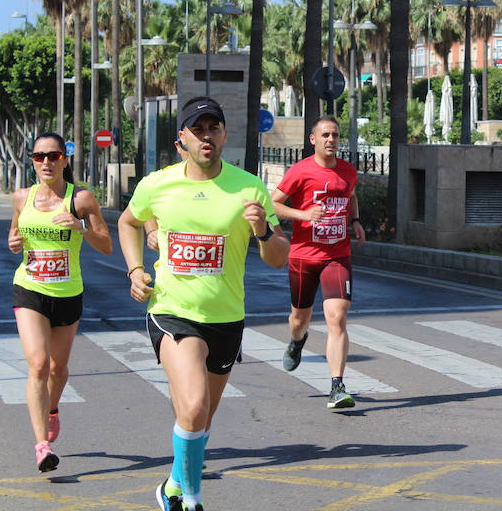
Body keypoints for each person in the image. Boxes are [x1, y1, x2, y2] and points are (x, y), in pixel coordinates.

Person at [118, 97, 288, 511]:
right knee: (193, 406)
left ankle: (173, 483)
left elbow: (279, 256)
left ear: (224, 135)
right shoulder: (157, 184)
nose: (206, 135)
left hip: (227, 316)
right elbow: (127, 220)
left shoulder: (249, 187)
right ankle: (191, 499)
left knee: (202, 417)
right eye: (198, 129)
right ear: (183, 139)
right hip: (173, 311)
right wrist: (136, 269)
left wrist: (264, 231)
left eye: (213, 128)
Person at [8, 132, 112, 472]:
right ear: (33, 161)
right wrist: (14, 243)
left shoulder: (80, 198)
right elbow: (16, 236)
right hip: (30, 288)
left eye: (53, 156)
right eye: (39, 157)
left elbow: (106, 246)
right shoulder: (22, 197)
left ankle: (52, 408)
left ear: (64, 160)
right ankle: (42, 446)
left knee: (57, 368)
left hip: (68, 293)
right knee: (38, 364)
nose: (46, 162)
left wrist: (80, 226)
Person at [272, 115, 365, 409]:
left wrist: (356, 221)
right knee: (299, 318)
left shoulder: (348, 171)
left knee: (337, 317)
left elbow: (350, 196)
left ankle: (337, 386)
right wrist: (302, 215)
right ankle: (297, 340)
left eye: (335, 135)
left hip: (337, 255)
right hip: (303, 256)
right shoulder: (300, 172)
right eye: (325, 135)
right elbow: (272, 203)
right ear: (313, 139)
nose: (331, 140)